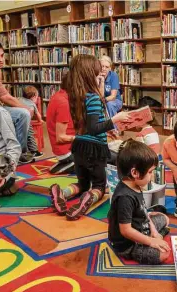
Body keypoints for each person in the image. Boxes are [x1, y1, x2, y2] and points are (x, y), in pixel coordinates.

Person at [49, 55, 129, 221]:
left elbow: (90, 124)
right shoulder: (93, 98)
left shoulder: (75, 97)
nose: (101, 75)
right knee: (99, 186)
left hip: (79, 147)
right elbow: (93, 129)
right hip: (95, 149)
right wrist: (115, 120)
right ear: (90, 74)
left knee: (83, 183)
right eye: (97, 73)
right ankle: (88, 199)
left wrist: (107, 128)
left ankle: (62, 193)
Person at [108, 140, 171, 264]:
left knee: (165, 218)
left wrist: (153, 231)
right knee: (163, 254)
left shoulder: (136, 185)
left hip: (141, 226)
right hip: (129, 244)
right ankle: (159, 236)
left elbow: (143, 212)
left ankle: (157, 234)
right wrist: (151, 241)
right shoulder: (124, 197)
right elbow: (126, 231)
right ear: (135, 172)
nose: (152, 176)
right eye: (150, 172)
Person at [46, 71, 76, 174]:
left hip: (61, 150)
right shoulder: (63, 103)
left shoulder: (58, 95)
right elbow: (61, 137)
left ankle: (67, 163)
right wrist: (84, 138)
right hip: (67, 151)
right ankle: (71, 163)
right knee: (108, 156)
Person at [19, 85, 43, 158]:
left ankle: (22, 150)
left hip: (16, 121)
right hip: (26, 122)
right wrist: (40, 120)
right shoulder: (32, 103)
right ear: (33, 97)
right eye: (36, 97)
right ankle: (34, 151)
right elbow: (38, 115)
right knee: (30, 135)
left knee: (20, 135)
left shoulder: (18, 99)